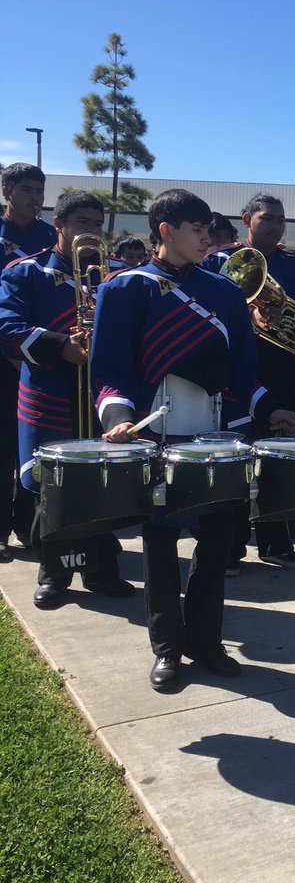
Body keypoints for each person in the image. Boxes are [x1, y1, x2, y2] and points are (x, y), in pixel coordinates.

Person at [91, 189, 295, 690]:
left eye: (209, 229)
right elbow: (110, 371)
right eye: (197, 229)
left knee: (216, 545)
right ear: (165, 230)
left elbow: (244, 373)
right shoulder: (125, 289)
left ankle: (206, 641)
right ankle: (167, 647)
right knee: (160, 547)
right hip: (155, 439)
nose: (208, 237)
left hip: (216, 439)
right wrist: (118, 418)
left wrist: (271, 409)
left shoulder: (225, 292)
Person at [0, 190, 133, 605]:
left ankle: (100, 570)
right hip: (49, 395)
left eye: (97, 223)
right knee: (51, 486)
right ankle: (53, 573)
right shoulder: (26, 272)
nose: (91, 232)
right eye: (81, 223)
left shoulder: (117, 276)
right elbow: (6, 325)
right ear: (58, 225)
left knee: (104, 481)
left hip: (101, 398)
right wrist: (60, 345)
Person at [205, 193, 295, 568]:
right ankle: (230, 545)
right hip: (235, 375)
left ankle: (276, 541)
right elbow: (206, 312)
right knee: (235, 457)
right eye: (267, 218)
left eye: (280, 219)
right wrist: (248, 315)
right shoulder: (216, 262)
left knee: (281, 457)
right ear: (247, 219)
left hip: (287, 370)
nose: (275, 225)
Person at [0, 163, 56, 559]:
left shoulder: (50, 236)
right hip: (4, 354)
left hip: (42, 356)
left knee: (31, 446)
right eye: (26, 190)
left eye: (39, 191)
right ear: (7, 191)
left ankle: (30, 526)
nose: (34, 198)